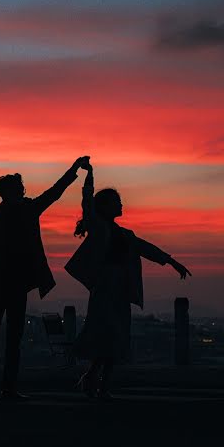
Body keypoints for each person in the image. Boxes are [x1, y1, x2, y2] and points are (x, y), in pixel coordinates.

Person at [0, 156, 90, 403]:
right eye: (17, 190)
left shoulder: (13, 213)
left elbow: (54, 193)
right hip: (4, 284)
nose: (20, 194)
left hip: (12, 284)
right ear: (7, 193)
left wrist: (73, 170)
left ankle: (0, 389)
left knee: (8, 338)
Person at [65, 160, 191, 399]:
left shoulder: (125, 235)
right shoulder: (99, 227)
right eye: (117, 201)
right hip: (104, 289)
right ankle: (94, 379)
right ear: (106, 207)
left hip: (121, 290)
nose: (122, 204)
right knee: (104, 335)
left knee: (117, 338)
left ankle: (100, 383)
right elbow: (87, 202)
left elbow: (146, 248)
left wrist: (171, 262)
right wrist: (89, 176)